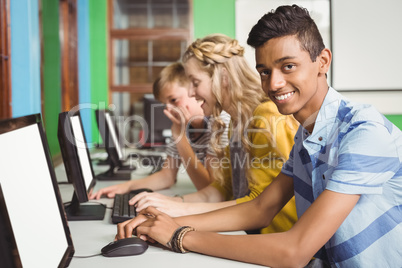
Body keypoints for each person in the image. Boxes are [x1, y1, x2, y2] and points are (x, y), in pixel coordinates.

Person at [115, 5, 402, 267]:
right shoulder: (307, 134)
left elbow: (295, 250)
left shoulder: (364, 132)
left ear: (323, 61)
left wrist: (179, 234)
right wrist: (163, 222)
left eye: (288, 66)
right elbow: (261, 207)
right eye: (265, 71)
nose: (274, 83)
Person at [128, 34, 298, 234]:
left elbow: (260, 205)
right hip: (249, 234)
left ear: (223, 77)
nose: (191, 93)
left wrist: (180, 212)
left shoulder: (266, 117)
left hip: (276, 241)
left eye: (195, 82)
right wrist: (170, 203)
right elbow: (220, 190)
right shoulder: (235, 123)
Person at [90, 62, 229, 198]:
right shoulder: (181, 126)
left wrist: (180, 137)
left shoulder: (220, 122)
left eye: (173, 100)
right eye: (164, 104)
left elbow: (209, 189)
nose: (168, 109)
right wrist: (127, 186)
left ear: (194, 92)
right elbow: (167, 176)